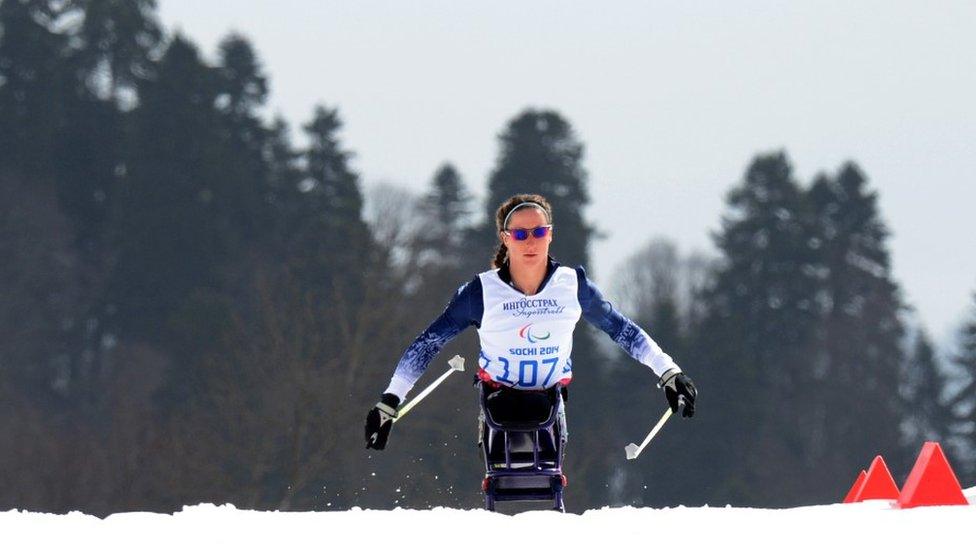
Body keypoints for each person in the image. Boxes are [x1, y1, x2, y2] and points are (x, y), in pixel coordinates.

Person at [365, 193, 697, 450]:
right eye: (521, 234)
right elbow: (429, 342)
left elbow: (622, 330)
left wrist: (669, 373)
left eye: (539, 232)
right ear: (505, 238)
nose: (531, 242)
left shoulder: (572, 284)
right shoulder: (481, 291)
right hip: (498, 400)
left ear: (550, 235)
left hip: (550, 401)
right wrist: (390, 400)